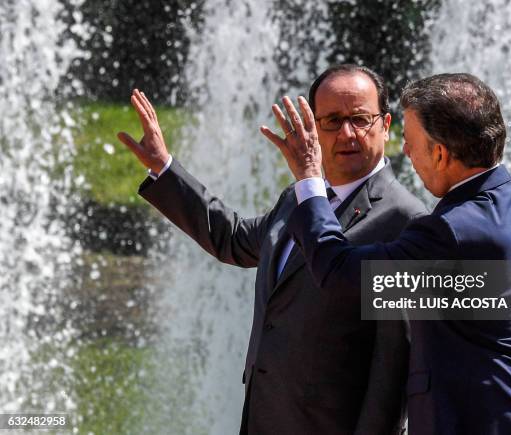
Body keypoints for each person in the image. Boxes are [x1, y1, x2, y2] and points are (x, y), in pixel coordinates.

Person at [117, 65, 427, 434]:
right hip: (266, 416)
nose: (347, 133)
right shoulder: (300, 198)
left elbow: (393, 369)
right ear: (312, 127)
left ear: (385, 124)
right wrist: (163, 167)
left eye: (360, 119)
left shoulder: (405, 220)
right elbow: (233, 239)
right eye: (331, 120)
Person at [263, 73, 511, 435]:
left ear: (439, 152)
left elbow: (338, 273)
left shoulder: (448, 232)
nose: (405, 152)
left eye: (409, 142)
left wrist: (310, 179)